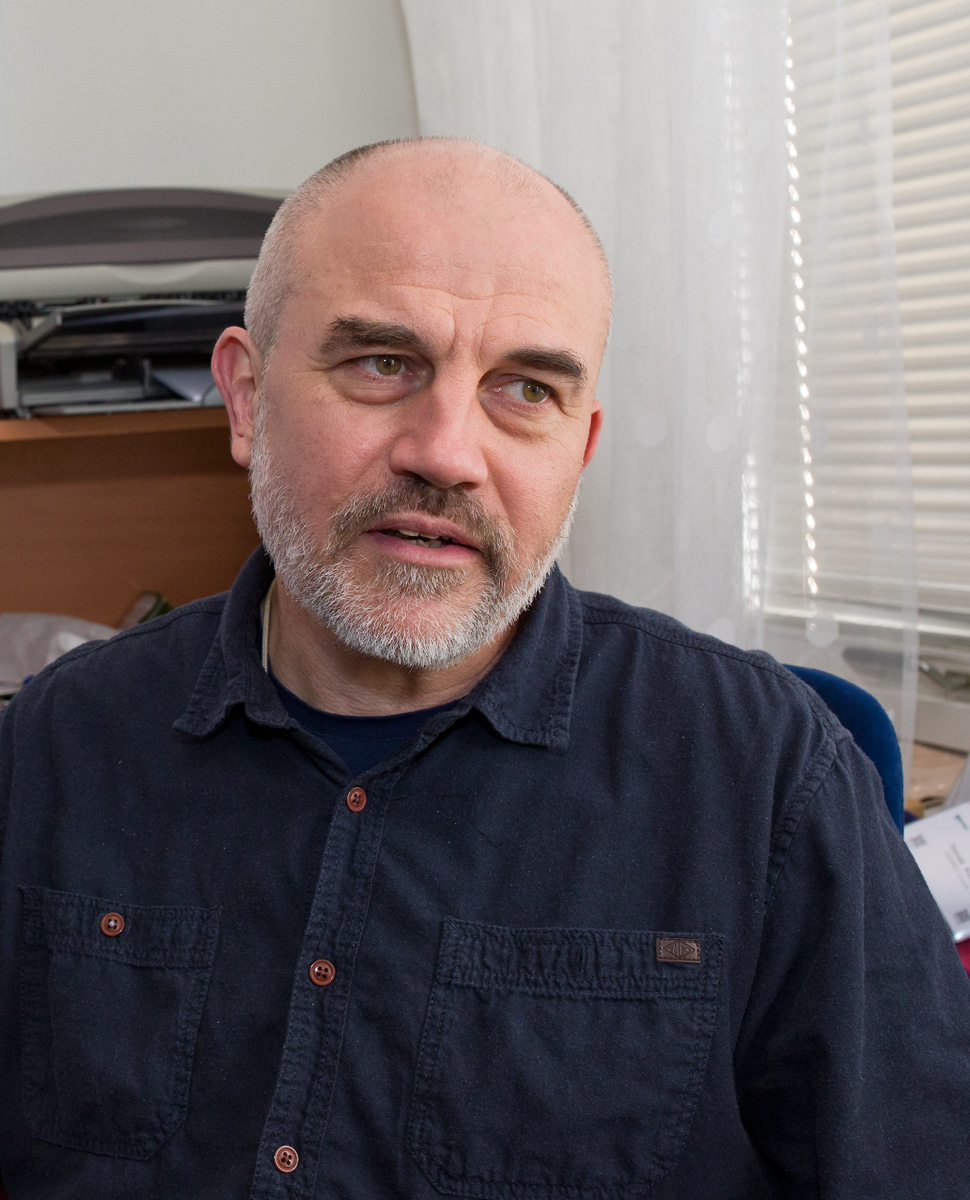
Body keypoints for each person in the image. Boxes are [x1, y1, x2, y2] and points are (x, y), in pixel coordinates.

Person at [0, 138, 968, 1200]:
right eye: (382, 364)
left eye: (525, 390)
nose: (447, 453)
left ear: (579, 449)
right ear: (245, 398)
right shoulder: (52, 747)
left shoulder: (767, 774)